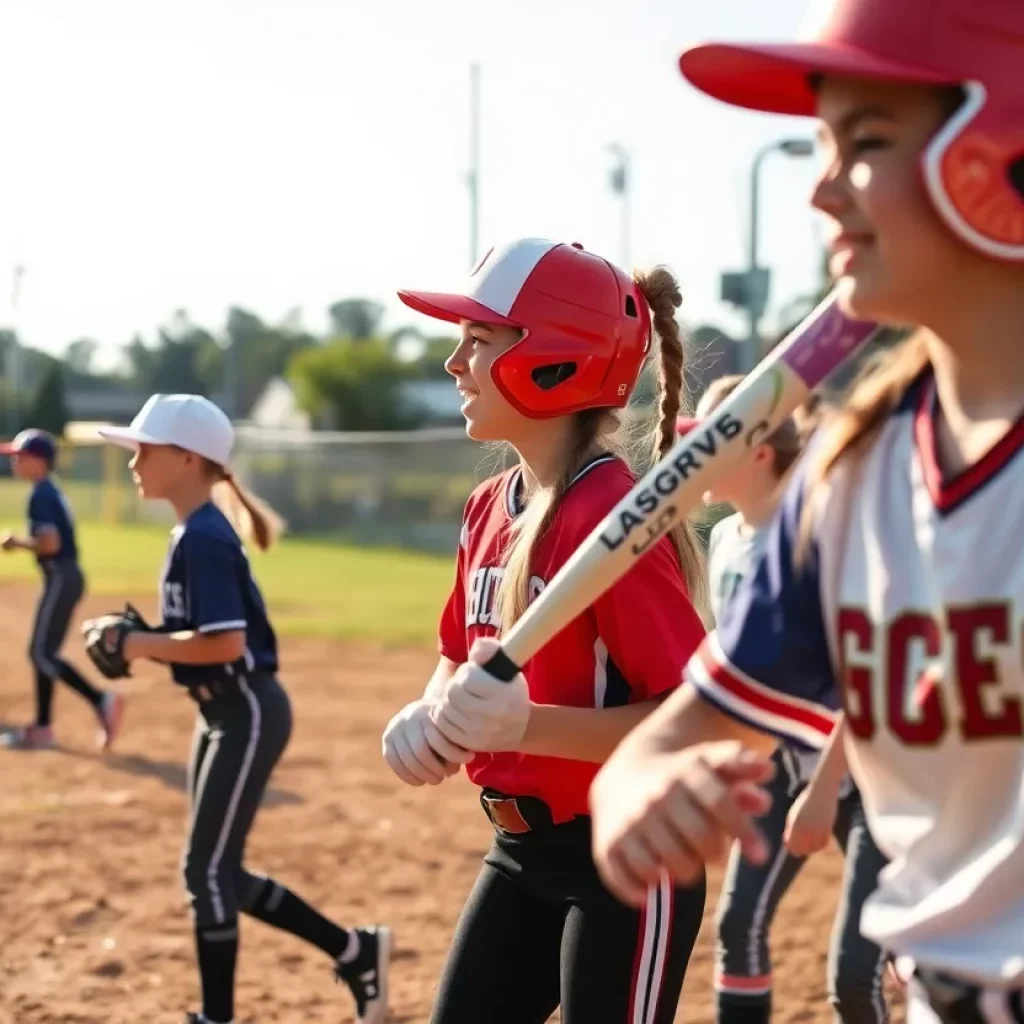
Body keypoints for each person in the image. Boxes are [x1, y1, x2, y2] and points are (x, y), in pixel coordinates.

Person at [588, 1, 1024, 1021]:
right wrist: (634, 797)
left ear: (1002, 150)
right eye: (821, 147)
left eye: (865, 144)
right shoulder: (852, 478)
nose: (822, 189)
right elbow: (674, 733)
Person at [383, 238, 708, 1024]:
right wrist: (428, 716)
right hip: (521, 851)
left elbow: (688, 725)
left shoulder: (613, 520)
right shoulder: (490, 506)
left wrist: (529, 726)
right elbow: (461, 653)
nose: (455, 364)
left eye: (479, 341)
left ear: (556, 359)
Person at [94, 395, 390, 1024]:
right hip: (223, 712)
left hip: (246, 711)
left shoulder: (202, 535)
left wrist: (137, 644)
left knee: (205, 873)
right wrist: (145, 635)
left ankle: (218, 1018)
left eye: (144, 450)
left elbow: (226, 642)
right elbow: (200, 635)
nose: (133, 462)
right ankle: (355, 950)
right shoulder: (192, 530)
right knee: (216, 871)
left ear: (186, 458)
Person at [694, 378, 888, 1024]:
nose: (693, 459)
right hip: (780, 766)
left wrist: (826, 787)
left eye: (710, 441)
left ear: (756, 451)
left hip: (862, 768)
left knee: (859, 978)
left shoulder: (817, 539)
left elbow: (866, 678)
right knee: (737, 928)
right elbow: (735, 676)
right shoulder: (723, 538)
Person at [0, 428, 123, 750]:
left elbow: (50, 543)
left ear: (39, 462)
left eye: (20, 457)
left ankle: (101, 700)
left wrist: (18, 543)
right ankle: (43, 728)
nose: (14, 462)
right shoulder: (48, 490)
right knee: (44, 653)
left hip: (61, 576)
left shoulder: (41, 494)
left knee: (40, 653)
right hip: (65, 577)